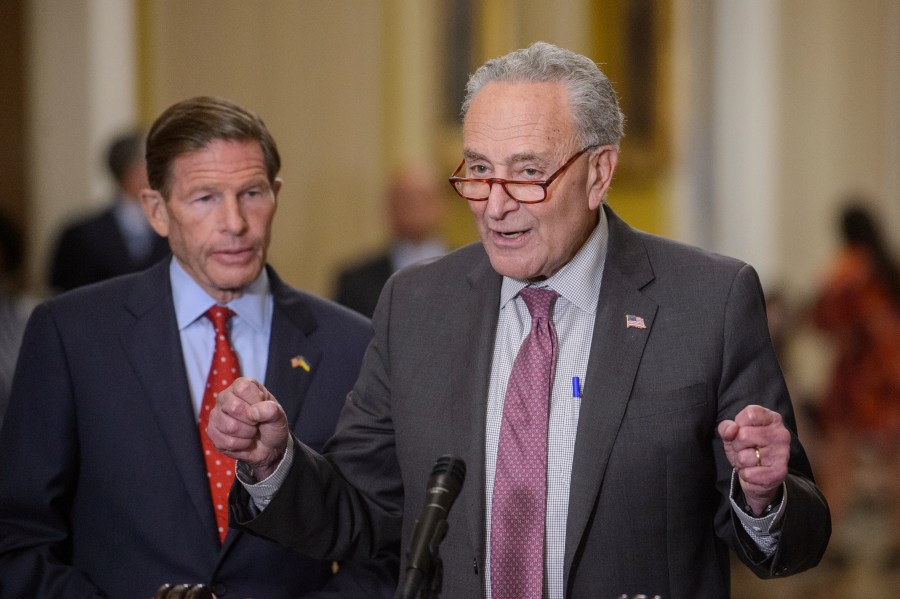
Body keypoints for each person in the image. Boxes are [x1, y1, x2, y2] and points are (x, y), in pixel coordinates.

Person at [209, 43, 830, 598]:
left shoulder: (709, 301)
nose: (496, 205)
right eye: (479, 170)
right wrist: (274, 462)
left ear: (598, 173)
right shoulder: (417, 304)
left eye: (528, 173)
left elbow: (794, 541)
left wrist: (764, 497)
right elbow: (359, 511)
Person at [0, 97, 395, 599]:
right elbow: (20, 539)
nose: (234, 222)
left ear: (275, 195)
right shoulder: (71, 334)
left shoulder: (353, 344)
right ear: (157, 211)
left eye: (251, 193)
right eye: (205, 198)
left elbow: (387, 544)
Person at [811, 201, 900, 567]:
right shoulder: (886, 269)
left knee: (839, 464)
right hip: (890, 377)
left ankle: (830, 545)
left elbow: (822, 318)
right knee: (896, 463)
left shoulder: (847, 270)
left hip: (855, 382)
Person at [48, 128, 170, 292]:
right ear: (131, 171)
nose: (166, 171)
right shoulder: (79, 236)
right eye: (155, 162)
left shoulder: (178, 228)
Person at [335, 164, 448, 317]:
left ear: (443, 204)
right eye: (405, 200)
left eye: (423, 198)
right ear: (389, 207)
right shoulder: (356, 281)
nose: (414, 207)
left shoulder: (474, 270)